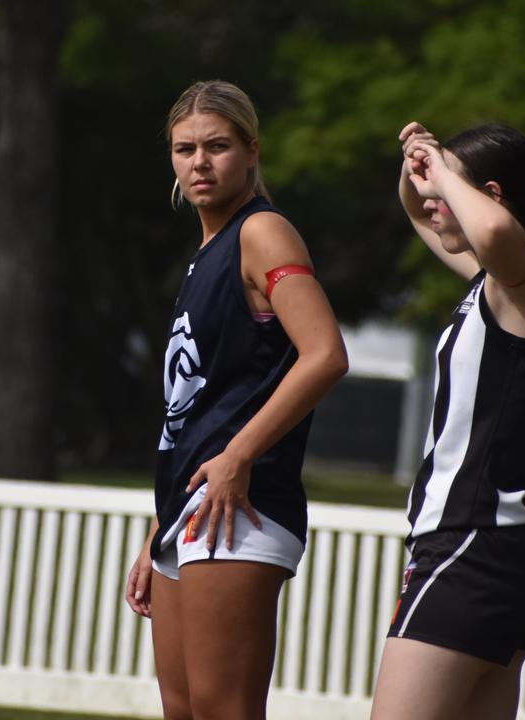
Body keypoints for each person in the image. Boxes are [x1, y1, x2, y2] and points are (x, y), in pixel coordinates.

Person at [123, 80, 348, 720]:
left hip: (240, 505)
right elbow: (200, 405)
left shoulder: (263, 232)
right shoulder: (205, 253)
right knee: (185, 708)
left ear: (251, 151)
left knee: (223, 711)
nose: (199, 162)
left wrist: (236, 457)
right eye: (184, 148)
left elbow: (326, 354)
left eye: (217, 146)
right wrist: (159, 524)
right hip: (188, 508)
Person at [370, 121, 525, 720]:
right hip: (499, 553)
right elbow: (420, 216)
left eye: (448, 186)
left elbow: (492, 228)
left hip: (472, 547)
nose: (436, 196)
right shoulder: (496, 282)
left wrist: (440, 172)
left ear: (492, 195)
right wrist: (418, 167)